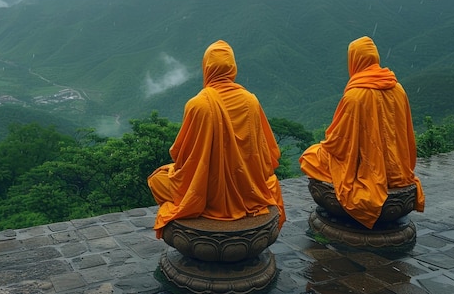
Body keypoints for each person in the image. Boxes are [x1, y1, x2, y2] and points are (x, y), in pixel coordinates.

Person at [148, 39, 286, 238]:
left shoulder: (198, 105)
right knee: (270, 182)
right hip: (249, 190)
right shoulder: (251, 101)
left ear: (207, 67)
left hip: (205, 193)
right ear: (232, 68)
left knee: (157, 179)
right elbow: (267, 155)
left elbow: (180, 155)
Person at [299, 36, 425, 229]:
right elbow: (405, 135)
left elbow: (337, 144)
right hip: (398, 170)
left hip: (364, 169)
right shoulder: (398, 88)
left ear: (354, 60)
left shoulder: (355, 96)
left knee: (310, 157)